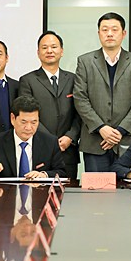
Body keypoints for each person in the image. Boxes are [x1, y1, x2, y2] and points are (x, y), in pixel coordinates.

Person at [73, 12, 131, 172]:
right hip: (95, 141)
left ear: (124, 33)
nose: (109, 34)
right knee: (96, 187)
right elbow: (80, 98)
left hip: (127, 141)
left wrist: (120, 131)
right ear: (98, 33)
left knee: (128, 187)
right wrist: (101, 128)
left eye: (114, 29)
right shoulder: (85, 61)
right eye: (105, 29)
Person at [19, 31, 82, 179]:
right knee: (37, 190)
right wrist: (51, 142)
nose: (49, 51)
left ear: (62, 51)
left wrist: (70, 136)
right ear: (38, 52)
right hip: (39, 148)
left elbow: (80, 113)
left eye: (54, 47)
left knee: (67, 191)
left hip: (68, 150)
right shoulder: (28, 80)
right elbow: (27, 115)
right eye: (44, 47)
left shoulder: (74, 79)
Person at [0, 95, 66, 178]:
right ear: (12, 119)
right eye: (23, 122)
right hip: (5, 194)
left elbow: (61, 172)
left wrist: (44, 175)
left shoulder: (50, 142)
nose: (29, 128)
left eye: (34, 122)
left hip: (38, 193)